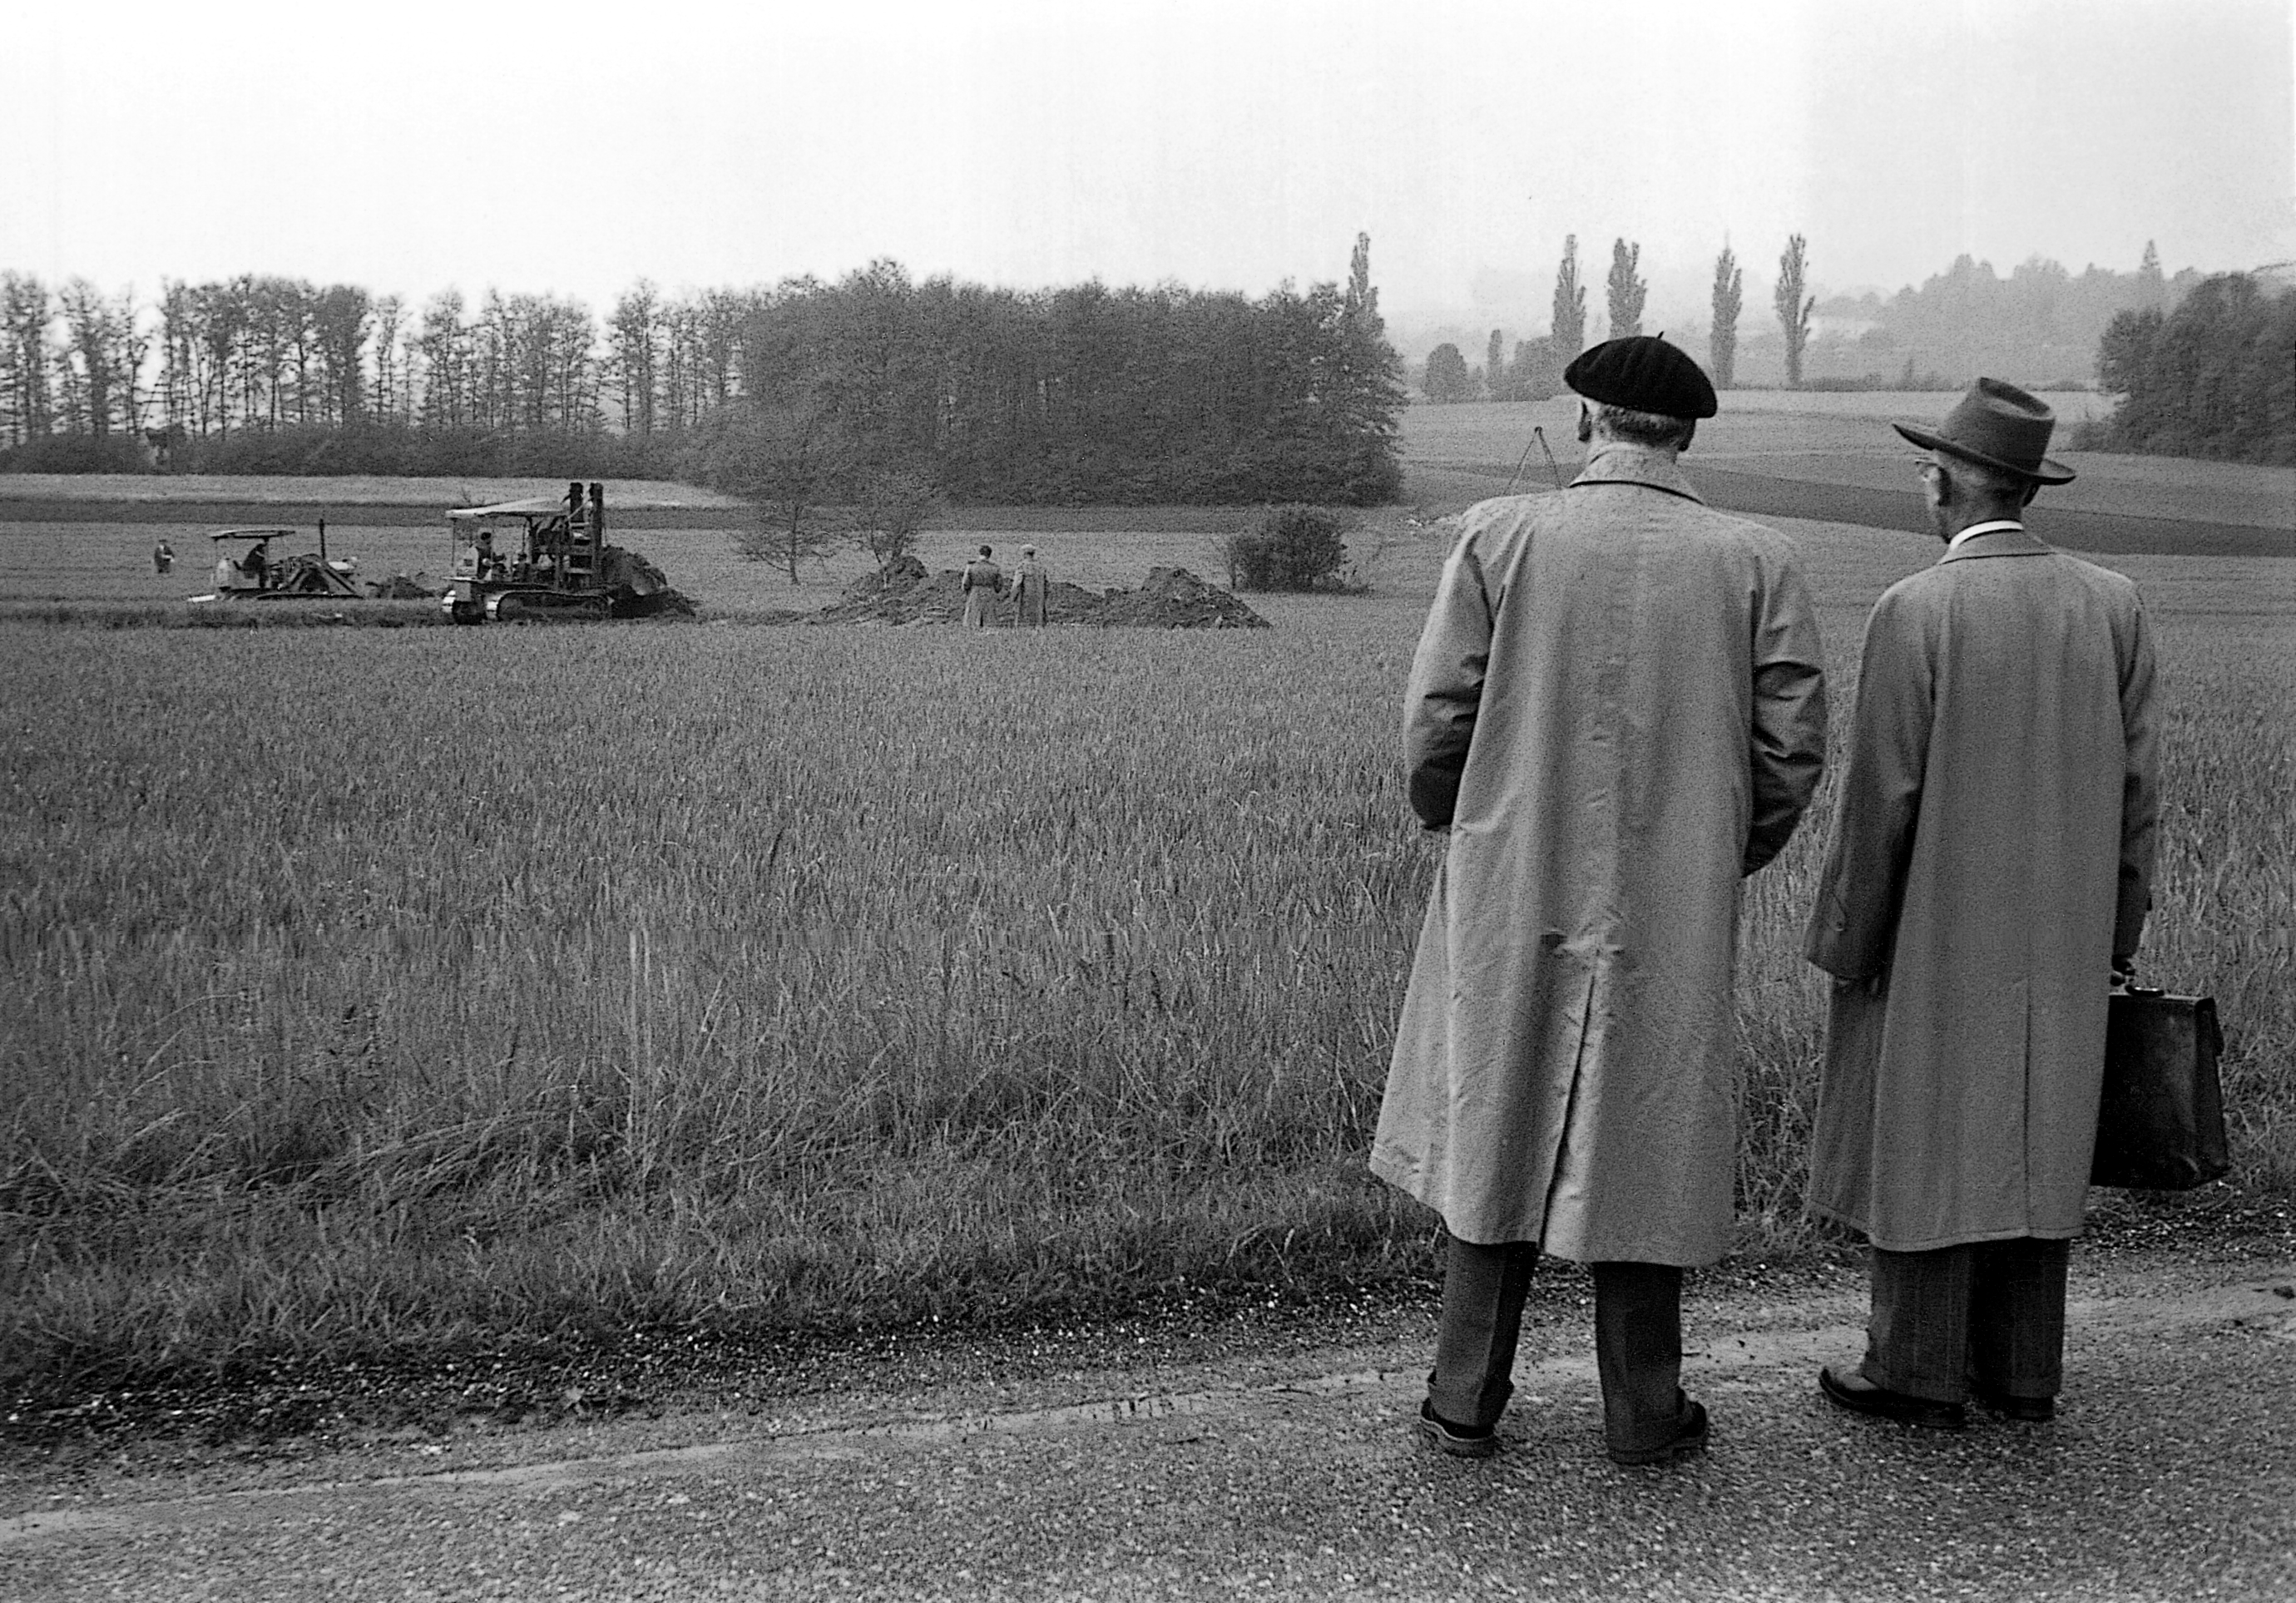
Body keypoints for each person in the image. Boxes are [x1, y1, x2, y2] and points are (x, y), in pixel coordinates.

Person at [1373, 335, 1828, 1467]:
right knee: (1650, 1125)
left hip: (1509, 874)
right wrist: (1721, 851)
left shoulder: (1499, 535)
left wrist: (1465, 822)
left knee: (1495, 1109)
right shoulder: (1756, 558)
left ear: (1587, 420)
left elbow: (1438, 719)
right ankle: (1643, 1409)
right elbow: (1794, 748)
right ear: (1684, 431)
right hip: (1672, 887)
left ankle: (1464, 1396)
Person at [1805, 378, 2160, 1430]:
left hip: (1935, 934)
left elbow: (1882, 802)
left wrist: (1849, 940)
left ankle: (1912, 1368)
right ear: (2026, 485)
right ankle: (2021, 1371)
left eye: (1928, 468)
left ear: (1947, 482)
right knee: (2037, 1133)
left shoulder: (1917, 609)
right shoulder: (2113, 603)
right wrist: (2117, 936)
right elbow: (2140, 796)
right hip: (2066, 937)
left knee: (1925, 1136)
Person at [961, 545, 1003, 628]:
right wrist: (995, 590)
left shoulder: (972, 567)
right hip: (989, 591)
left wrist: (967, 591)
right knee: (989, 614)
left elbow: (965, 583)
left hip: (975, 591)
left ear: (980, 553)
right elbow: (999, 584)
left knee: (973, 614)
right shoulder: (995, 568)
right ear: (990, 555)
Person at [1007, 545, 1049, 626]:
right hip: (1039, 597)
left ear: (1025, 554)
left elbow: (1017, 584)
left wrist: (1012, 597)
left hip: (1026, 598)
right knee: (1038, 620)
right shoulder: (1040, 567)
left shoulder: (1022, 566)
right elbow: (1047, 585)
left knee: (1024, 621)